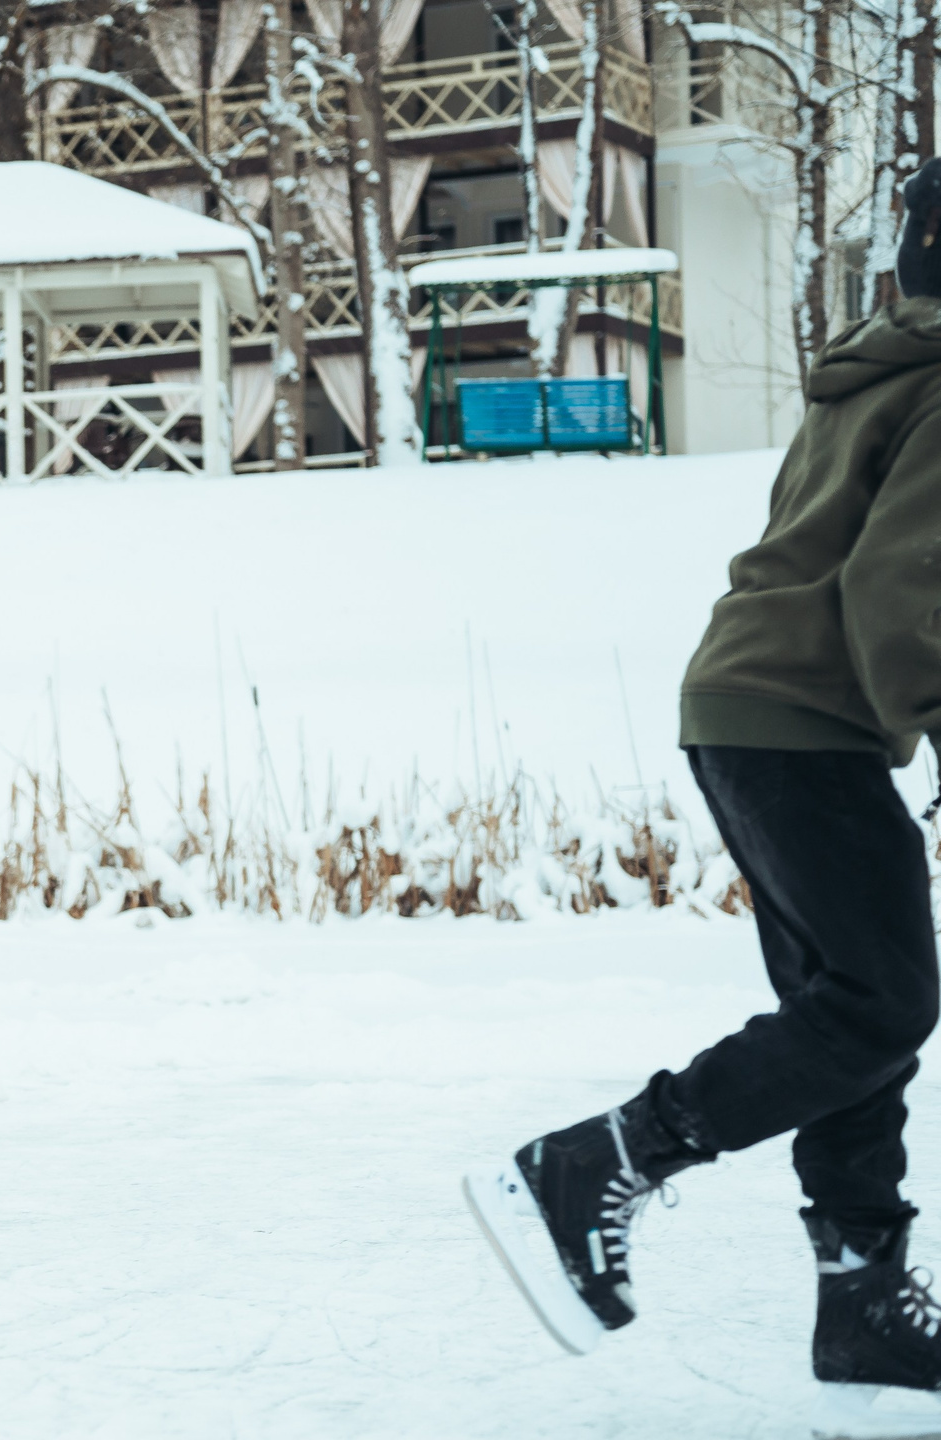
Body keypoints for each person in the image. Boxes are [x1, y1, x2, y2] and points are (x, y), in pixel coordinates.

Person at [466, 160, 941, 1439]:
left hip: (761, 713)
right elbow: (905, 597)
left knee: (853, 1006)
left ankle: (862, 1292)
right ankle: (593, 1161)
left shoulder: (882, 365)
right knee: (882, 999)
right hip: (805, 725)